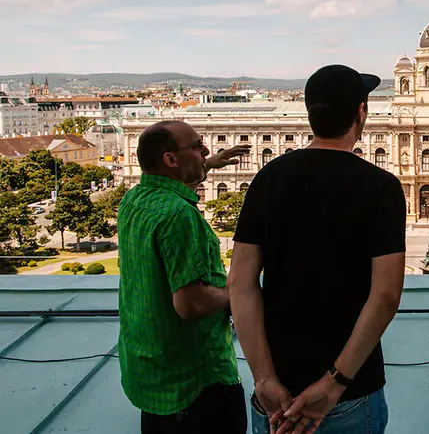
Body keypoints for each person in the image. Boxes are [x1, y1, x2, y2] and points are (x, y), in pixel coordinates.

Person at [228, 65, 407, 434]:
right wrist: (334, 382)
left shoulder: (267, 179)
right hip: (350, 392)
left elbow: (240, 285)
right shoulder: (381, 187)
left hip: (276, 393)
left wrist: (263, 378)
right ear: (361, 113)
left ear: (311, 115)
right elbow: (386, 296)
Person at [117, 120, 250, 434]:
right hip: (195, 383)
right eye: (197, 146)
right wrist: (238, 292)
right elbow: (191, 304)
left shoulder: (134, 200)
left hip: (150, 372)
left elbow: (168, 185)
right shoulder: (179, 215)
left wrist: (206, 165)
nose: (206, 150)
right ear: (170, 160)